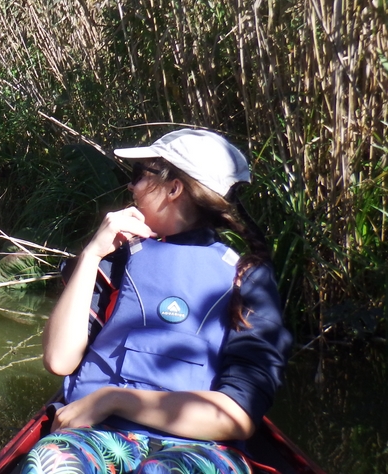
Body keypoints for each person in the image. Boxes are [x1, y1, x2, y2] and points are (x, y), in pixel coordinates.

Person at [21, 129, 292, 474]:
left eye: (139, 176)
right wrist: (91, 255)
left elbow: (236, 416)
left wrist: (113, 398)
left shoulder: (247, 278)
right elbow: (60, 360)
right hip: (97, 437)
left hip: (198, 447)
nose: (131, 188)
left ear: (175, 188)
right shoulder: (114, 259)